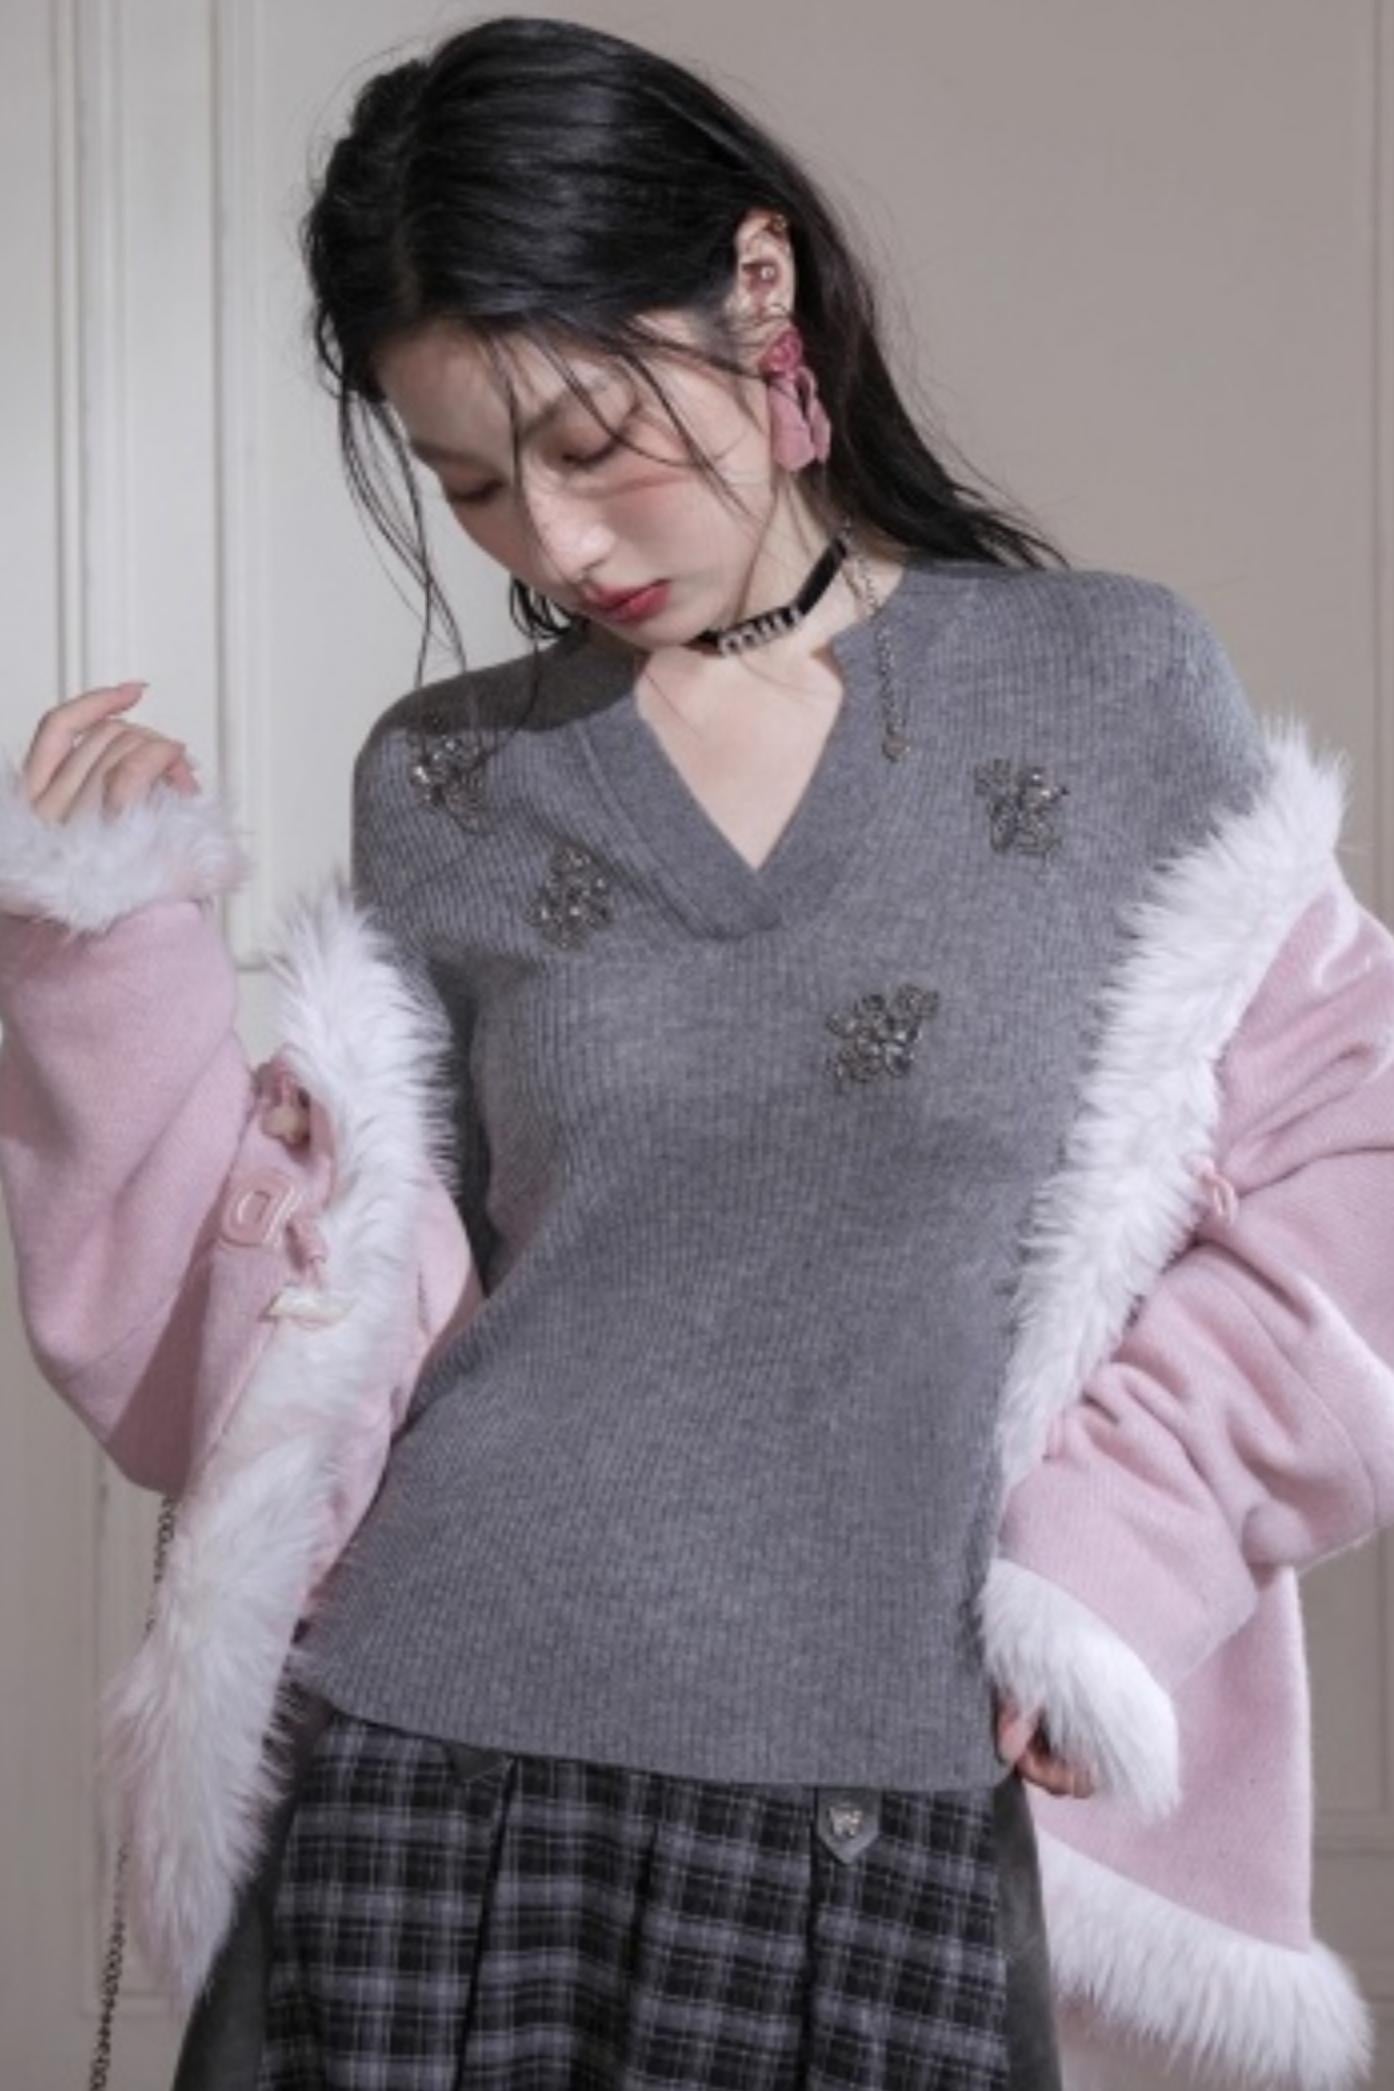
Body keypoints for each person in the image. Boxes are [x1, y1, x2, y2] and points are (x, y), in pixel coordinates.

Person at [2, 14, 1392, 2090]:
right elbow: (243, 1362)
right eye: (474, 485)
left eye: (589, 442)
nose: (556, 545)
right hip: (432, 1792)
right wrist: (96, 948)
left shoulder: (1107, 690)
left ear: (758, 287)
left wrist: (1112, 1566)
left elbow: (1351, 1175)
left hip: (897, 1814)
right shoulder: (447, 782)